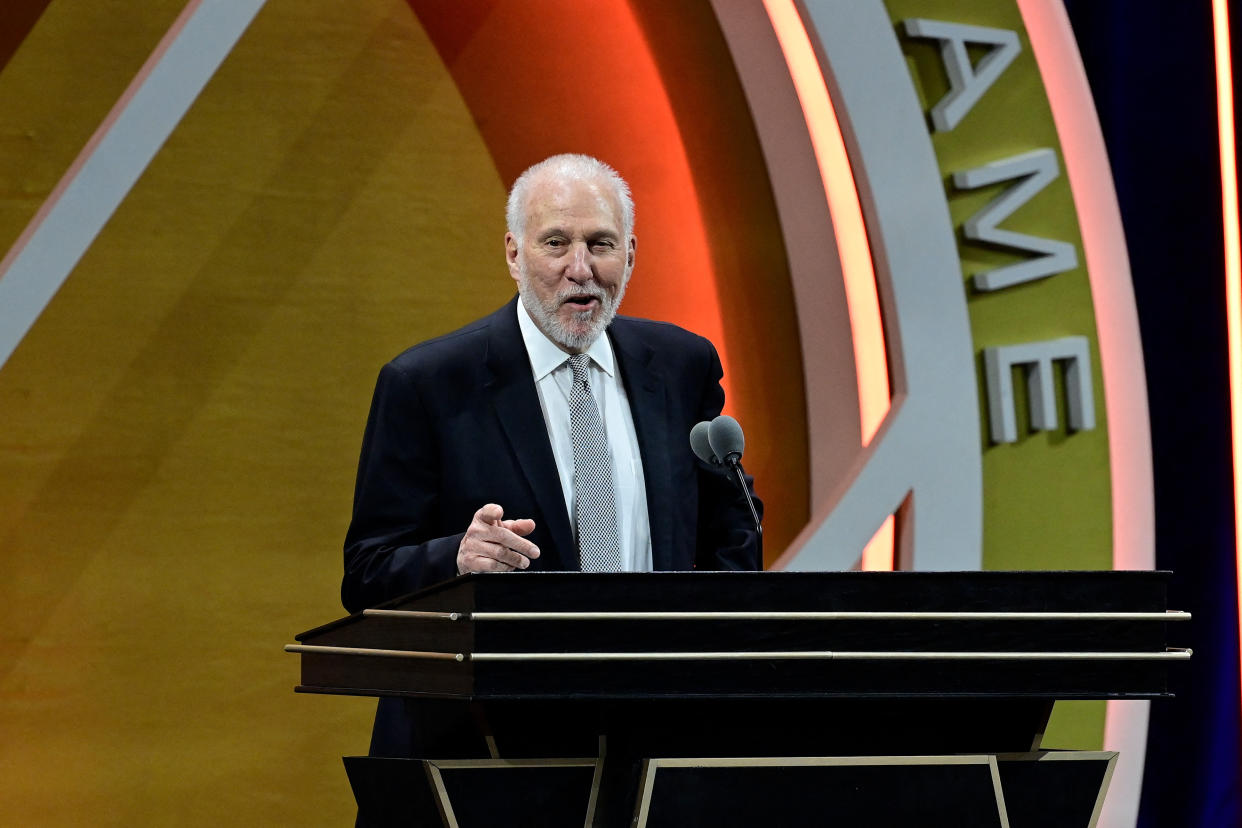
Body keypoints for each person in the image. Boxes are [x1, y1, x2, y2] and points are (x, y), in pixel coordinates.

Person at [341, 153, 762, 758]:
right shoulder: (429, 383)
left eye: (601, 244)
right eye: (556, 243)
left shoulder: (681, 366)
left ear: (632, 254)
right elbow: (365, 572)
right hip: (487, 744)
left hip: (654, 734)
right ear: (514, 253)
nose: (580, 270)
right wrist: (455, 558)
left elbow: (733, 527)